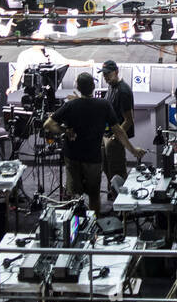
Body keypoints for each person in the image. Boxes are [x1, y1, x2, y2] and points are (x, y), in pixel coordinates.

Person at [44, 72, 146, 213]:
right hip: (93, 158)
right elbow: (118, 131)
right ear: (93, 86)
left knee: (74, 196)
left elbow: (48, 124)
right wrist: (133, 150)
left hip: (72, 157)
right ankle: (94, 226)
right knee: (94, 195)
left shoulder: (70, 105)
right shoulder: (104, 105)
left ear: (78, 87)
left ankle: (75, 227)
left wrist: (64, 130)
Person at [99, 60, 135, 193]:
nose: (106, 77)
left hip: (115, 138)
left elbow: (129, 120)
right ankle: (113, 195)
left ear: (116, 72)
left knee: (117, 172)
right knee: (107, 168)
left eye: (108, 74)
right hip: (107, 135)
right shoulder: (111, 86)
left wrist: (115, 137)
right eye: (104, 74)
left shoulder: (123, 91)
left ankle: (122, 206)